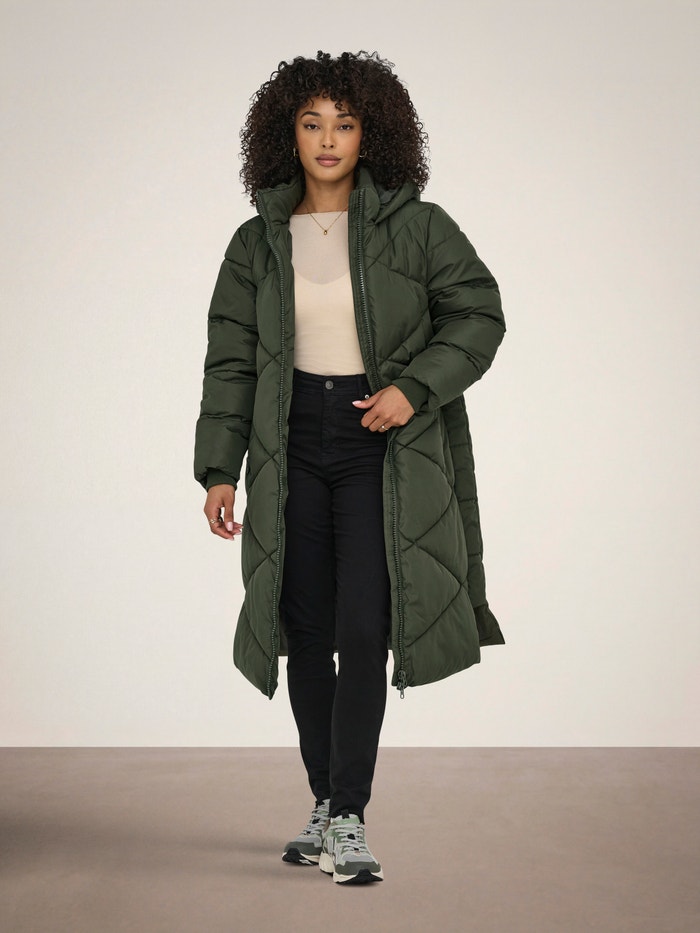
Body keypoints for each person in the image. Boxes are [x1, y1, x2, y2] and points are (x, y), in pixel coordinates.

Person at [193, 50, 506, 885]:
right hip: (291, 441)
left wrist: (413, 388)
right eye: (311, 123)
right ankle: (327, 801)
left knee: (366, 627)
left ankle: (351, 813)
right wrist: (220, 469)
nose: (328, 139)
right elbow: (231, 363)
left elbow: (478, 314)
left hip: (380, 444)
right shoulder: (255, 242)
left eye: (345, 123)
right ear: (286, 135)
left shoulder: (420, 227)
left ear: (374, 133)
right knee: (305, 631)